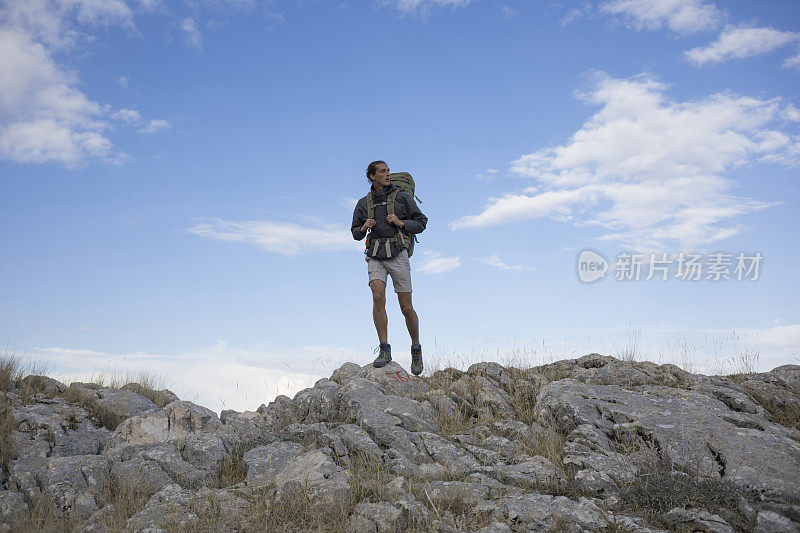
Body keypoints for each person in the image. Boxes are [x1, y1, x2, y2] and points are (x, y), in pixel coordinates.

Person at [351, 161, 428, 375]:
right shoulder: (362, 203)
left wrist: (402, 223)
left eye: (388, 171)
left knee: (406, 307)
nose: (387, 174)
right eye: (382, 171)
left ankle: (416, 349)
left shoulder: (402, 197)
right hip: (375, 254)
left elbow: (421, 222)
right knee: (377, 297)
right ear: (371, 176)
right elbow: (355, 232)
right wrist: (363, 227)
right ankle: (384, 349)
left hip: (397, 253)